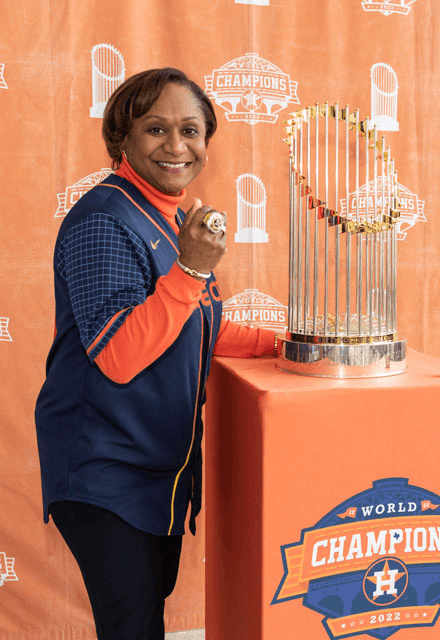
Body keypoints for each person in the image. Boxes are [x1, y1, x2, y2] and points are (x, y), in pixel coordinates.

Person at [35, 67, 277, 640]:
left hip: (155, 470)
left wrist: (287, 342)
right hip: (104, 470)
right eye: (155, 129)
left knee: (143, 623)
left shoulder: (169, 218)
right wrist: (192, 268)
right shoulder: (102, 219)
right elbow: (119, 353)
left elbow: (193, 326)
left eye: (191, 131)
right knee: (133, 629)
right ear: (122, 139)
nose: (177, 146)